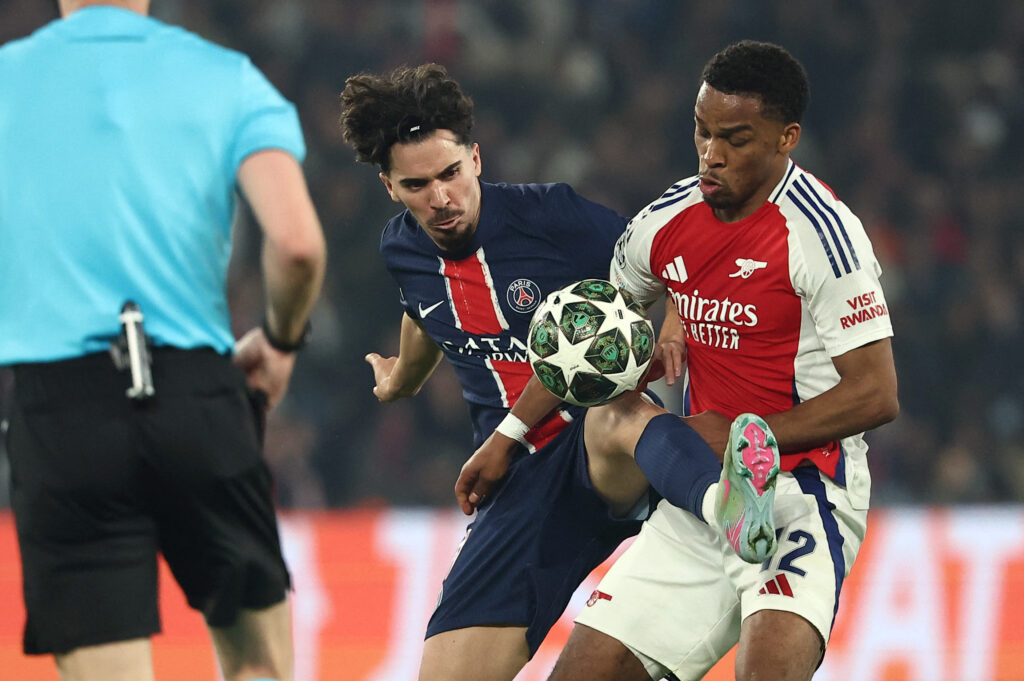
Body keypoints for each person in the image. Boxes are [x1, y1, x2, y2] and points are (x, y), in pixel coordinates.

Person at [340, 63, 779, 681]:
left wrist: (675, 319)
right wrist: (402, 380)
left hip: (601, 449)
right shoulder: (401, 251)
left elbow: (670, 250)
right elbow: (424, 313)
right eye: (417, 185)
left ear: (475, 159)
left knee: (609, 404)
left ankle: (726, 502)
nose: (440, 198)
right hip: (517, 486)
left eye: (450, 174)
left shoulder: (550, 215)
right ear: (390, 187)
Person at [534, 40, 899, 681]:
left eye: (735, 138)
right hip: (702, 495)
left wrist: (744, 437)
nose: (711, 153)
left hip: (802, 489)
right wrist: (512, 433)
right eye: (702, 131)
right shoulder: (664, 221)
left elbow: (876, 394)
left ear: (786, 138)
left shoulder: (823, 236)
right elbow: (593, 341)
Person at [0, 2, 326, 681]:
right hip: (198, 395)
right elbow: (297, 244)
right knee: (258, 664)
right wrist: (280, 340)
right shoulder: (226, 78)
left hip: (61, 408)